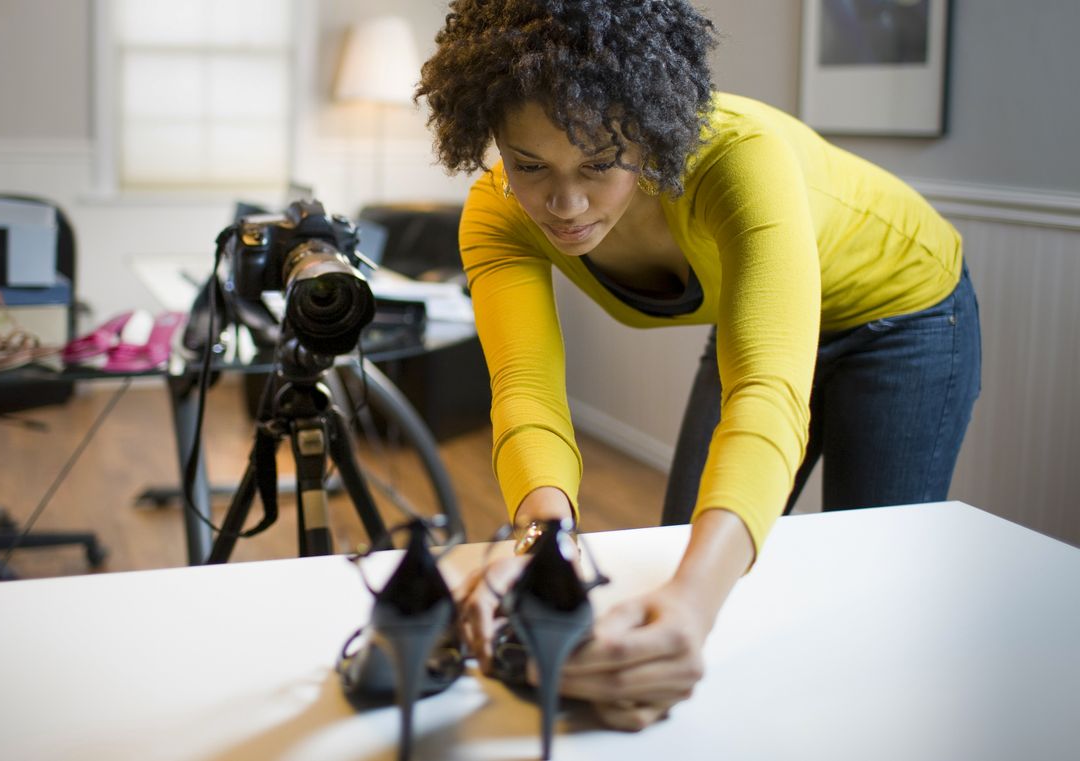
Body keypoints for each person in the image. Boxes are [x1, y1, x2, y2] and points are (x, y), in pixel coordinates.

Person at [415, 0, 981, 731]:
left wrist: (695, 601)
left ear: (650, 136)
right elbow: (526, 391)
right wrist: (540, 546)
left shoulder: (738, 158)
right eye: (529, 165)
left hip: (907, 314)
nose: (564, 203)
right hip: (752, 317)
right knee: (679, 551)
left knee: (861, 582)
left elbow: (768, 391)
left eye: (600, 163)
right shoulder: (497, 213)